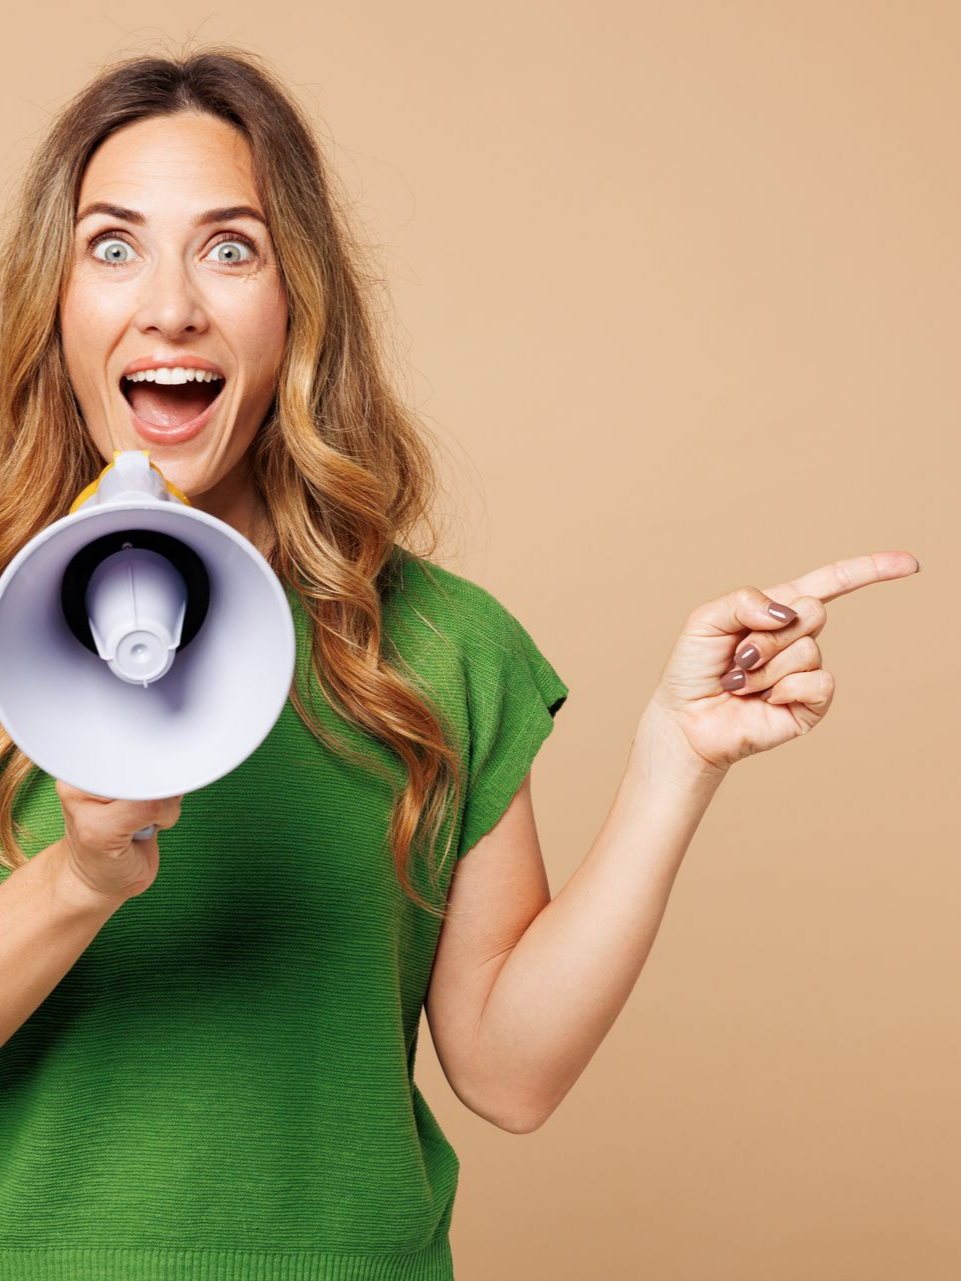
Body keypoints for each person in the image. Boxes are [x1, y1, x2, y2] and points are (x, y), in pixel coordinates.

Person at [0, 45, 920, 1281]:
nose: (171, 304)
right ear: (55, 299)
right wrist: (83, 877)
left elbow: (511, 1075)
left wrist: (673, 762)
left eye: (232, 247)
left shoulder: (438, 645)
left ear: (296, 304)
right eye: (114, 247)